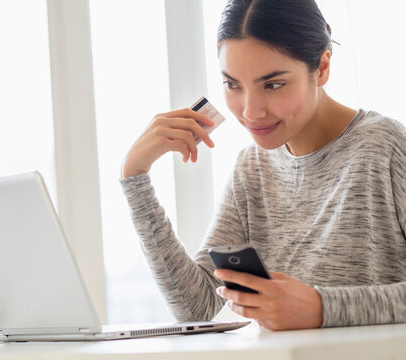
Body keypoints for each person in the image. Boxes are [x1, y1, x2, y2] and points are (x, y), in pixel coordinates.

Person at [119, 0, 405, 330]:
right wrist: (135, 177)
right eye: (232, 84)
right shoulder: (251, 168)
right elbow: (199, 307)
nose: (251, 111)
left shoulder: (384, 147)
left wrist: (323, 308)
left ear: (322, 68)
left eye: (273, 84)